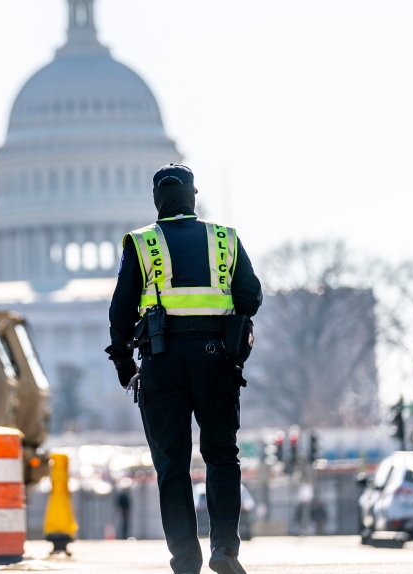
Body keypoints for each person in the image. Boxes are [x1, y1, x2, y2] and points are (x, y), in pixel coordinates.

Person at [107, 164, 262, 574]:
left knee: (171, 466)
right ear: (194, 196)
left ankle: (186, 560)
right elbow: (251, 295)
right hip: (216, 359)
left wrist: (125, 366)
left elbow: (120, 313)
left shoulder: (142, 244)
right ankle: (224, 550)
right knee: (222, 457)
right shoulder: (224, 239)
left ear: (157, 199)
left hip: (162, 361)